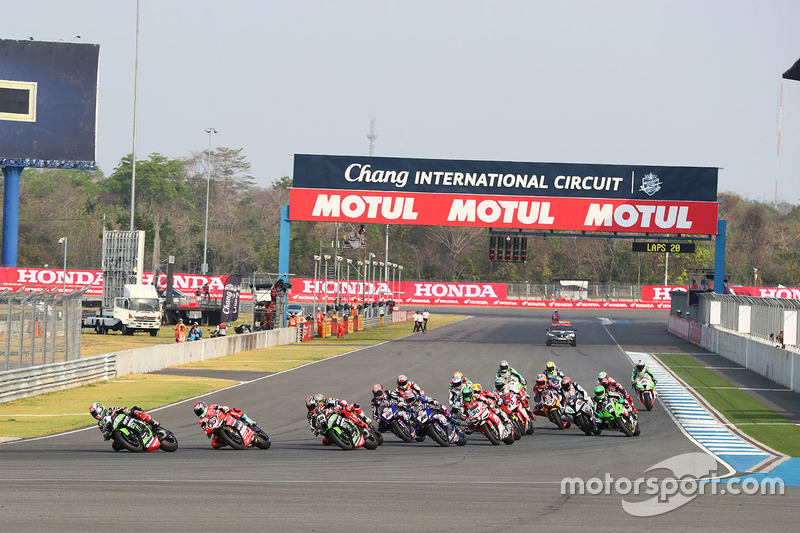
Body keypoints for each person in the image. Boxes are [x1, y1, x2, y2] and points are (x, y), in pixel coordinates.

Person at [89, 402, 160, 451]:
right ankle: (130, 443)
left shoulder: (111, 410)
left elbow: (124, 409)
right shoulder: (100, 424)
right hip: (117, 429)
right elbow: (104, 433)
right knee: (115, 446)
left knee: (135, 409)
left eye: (95, 413)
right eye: (93, 414)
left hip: (127, 420)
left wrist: (123, 410)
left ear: (99, 408)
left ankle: (153, 422)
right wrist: (106, 435)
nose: (95, 415)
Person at [193, 400, 258, 449]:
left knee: (234, 410)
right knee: (214, 444)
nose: (199, 413)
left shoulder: (212, 407)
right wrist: (208, 433)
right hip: (216, 428)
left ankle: (249, 421)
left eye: (200, 410)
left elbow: (221, 407)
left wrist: (225, 409)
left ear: (204, 407)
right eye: (197, 412)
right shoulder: (201, 421)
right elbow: (205, 429)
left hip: (224, 418)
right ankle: (228, 441)